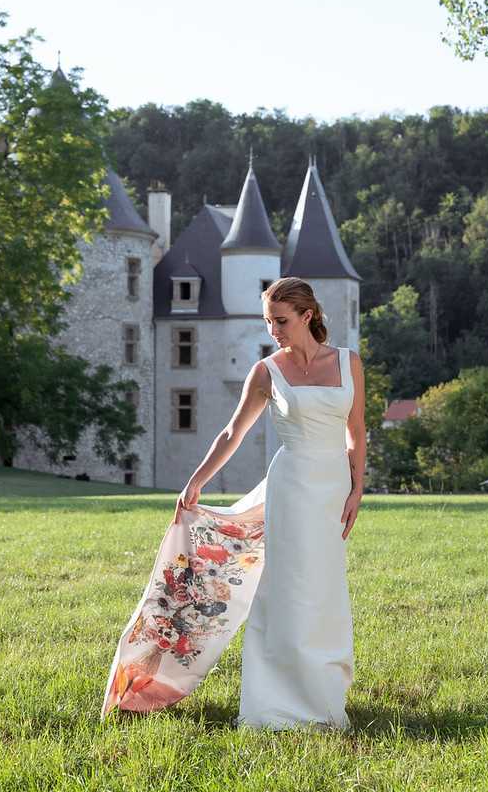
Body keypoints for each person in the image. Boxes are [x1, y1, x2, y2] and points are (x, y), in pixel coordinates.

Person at [101, 277, 366, 730]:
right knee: (287, 590)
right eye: (267, 322)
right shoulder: (266, 371)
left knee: (324, 592)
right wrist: (196, 481)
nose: (273, 331)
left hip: (332, 488)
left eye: (280, 321)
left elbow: (355, 432)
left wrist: (357, 488)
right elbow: (232, 433)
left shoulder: (348, 362)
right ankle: (275, 701)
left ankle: (323, 696)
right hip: (291, 486)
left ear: (307, 316)